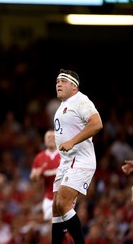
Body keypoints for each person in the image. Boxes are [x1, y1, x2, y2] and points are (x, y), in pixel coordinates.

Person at [51, 69, 103, 244]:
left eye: (62, 81)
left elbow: (97, 123)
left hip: (81, 159)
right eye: (57, 81)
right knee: (56, 208)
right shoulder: (63, 105)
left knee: (63, 201)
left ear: (74, 86)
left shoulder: (81, 100)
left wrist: (72, 141)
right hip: (66, 161)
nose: (58, 84)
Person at [30, 129, 60, 242]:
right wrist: (35, 175)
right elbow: (33, 177)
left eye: (53, 136)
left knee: (61, 225)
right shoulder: (39, 158)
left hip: (65, 196)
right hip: (49, 196)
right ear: (45, 141)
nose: (51, 139)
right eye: (48, 137)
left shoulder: (64, 154)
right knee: (53, 227)